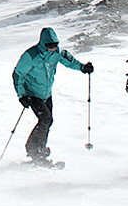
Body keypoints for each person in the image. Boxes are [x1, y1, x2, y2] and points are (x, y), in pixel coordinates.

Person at [11, 27, 92, 166]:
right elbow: (18, 74)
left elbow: (69, 61)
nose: (53, 49)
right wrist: (21, 95)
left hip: (46, 94)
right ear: (43, 44)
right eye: (50, 46)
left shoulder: (57, 53)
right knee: (45, 119)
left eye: (55, 46)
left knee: (48, 121)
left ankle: (39, 150)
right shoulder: (31, 56)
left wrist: (83, 67)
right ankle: (33, 149)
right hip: (32, 93)